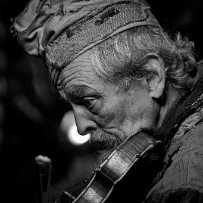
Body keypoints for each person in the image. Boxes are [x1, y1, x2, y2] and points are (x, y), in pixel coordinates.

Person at [11, 0, 203, 202]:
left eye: (88, 101)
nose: (80, 127)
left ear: (151, 77)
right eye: (72, 106)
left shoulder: (181, 188)